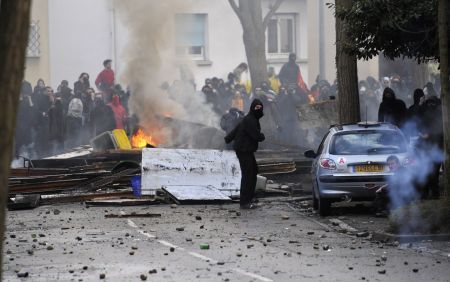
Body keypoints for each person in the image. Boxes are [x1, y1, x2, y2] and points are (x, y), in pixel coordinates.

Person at [225, 99, 265, 209]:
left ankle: (249, 198)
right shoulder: (250, 120)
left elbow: (237, 129)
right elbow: (256, 135)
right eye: (256, 107)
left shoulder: (249, 118)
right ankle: (244, 201)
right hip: (243, 150)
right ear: (252, 108)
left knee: (253, 172)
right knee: (248, 175)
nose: (258, 109)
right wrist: (261, 136)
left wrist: (228, 138)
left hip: (246, 150)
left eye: (260, 108)